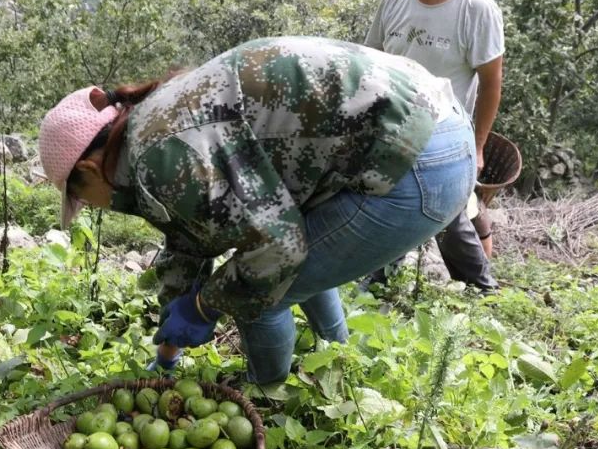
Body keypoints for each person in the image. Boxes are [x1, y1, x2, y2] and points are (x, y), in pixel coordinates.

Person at [38, 36, 476, 384]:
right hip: (435, 121)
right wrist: (170, 339)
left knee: (259, 294)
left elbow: (278, 253)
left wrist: (207, 304)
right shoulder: (148, 129)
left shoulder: (160, 159)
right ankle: (338, 362)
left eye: (79, 198)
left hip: (419, 164)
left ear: (92, 169)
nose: (90, 207)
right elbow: (191, 234)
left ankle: (265, 397)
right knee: (293, 259)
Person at [363, 0, 504, 289]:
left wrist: (477, 147)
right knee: (391, 205)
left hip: (444, 136)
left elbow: (491, 82)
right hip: (392, 129)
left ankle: (481, 289)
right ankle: (378, 285)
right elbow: (372, 60)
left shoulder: (476, 7)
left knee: (446, 216)